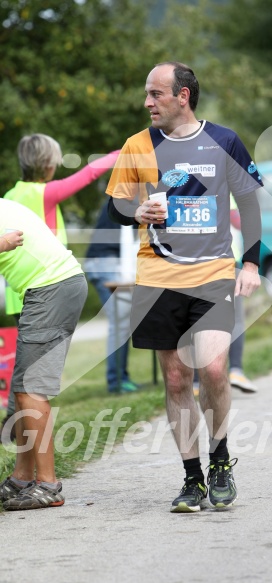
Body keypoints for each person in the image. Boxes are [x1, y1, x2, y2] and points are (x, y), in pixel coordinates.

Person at [106, 61, 263, 512]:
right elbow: (117, 204)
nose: (147, 102)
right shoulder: (138, 145)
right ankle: (192, 478)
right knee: (176, 379)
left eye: (156, 94)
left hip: (213, 273)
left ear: (183, 97)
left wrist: (250, 263)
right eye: (147, 94)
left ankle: (220, 460)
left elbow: (249, 205)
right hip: (156, 278)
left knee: (213, 369)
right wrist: (135, 213)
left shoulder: (225, 140)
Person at [0, 134, 119, 442]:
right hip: (47, 286)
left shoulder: (12, 193)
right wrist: (119, 153)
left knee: (22, 367)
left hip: (19, 288)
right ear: (49, 164)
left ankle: (14, 431)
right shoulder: (47, 193)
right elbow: (87, 175)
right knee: (33, 375)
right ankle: (17, 432)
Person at [0, 198, 88, 510]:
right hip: (51, 288)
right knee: (23, 389)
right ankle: (22, 477)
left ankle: (49, 484)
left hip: (51, 288)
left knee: (31, 390)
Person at [193, 196, 258, 395]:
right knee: (235, 317)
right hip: (226, 259)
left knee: (195, 318)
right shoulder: (224, 183)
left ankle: (196, 381)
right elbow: (237, 220)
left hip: (192, 260)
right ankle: (235, 370)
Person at [84, 199, 139, 393]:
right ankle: (116, 381)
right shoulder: (127, 197)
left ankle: (120, 378)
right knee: (121, 320)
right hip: (105, 262)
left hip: (109, 261)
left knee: (124, 321)